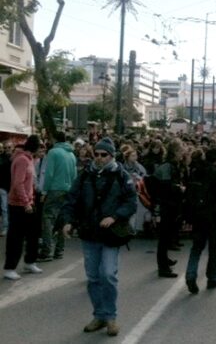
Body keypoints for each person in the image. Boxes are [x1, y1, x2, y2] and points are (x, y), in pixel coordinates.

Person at [60, 137, 137, 337]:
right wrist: (67, 221)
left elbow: (131, 202)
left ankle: (111, 317)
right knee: (93, 277)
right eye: (97, 154)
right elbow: (72, 199)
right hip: (89, 232)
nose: (100, 158)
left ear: (112, 156)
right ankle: (100, 315)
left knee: (108, 275)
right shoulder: (85, 175)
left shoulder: (122, 175)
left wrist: (115, 216)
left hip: (111, 235)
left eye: (104, 155)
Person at [184, 148, 216, 294]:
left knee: (196, 247)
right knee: (214, 248)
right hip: (214, 215)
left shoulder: (195, 171)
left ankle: (190, 274)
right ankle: (212, 277)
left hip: (198, 215)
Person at [3, 135, 43, 280]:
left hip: (28, 202)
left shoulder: (29, 159)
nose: (42, 150)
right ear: (35, 147)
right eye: (40, 147)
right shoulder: (21, 160)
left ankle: (30, 261)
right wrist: (26, 202)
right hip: (18, 204)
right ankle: (9, 267)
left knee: (33, 234)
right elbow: (18, 183)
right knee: (16, 237)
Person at [38, 131, 77, 262]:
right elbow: (74, 175)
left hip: (55, 189)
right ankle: (59, 250)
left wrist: (44, 191)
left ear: (54, 139)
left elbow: (49, 174)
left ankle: (46, 250)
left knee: (48, 218)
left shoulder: (53, 153)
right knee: (62, 220)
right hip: (68, 189)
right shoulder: (71, 154)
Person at [153, 139, 186, 278]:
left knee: (167, 235)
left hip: (170, 204)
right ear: (175, 152)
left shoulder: (172, 165)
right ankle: (163, 267)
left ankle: (165, 260)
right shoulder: (167, 167)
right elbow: (166, 187)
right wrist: (179, 188)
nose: (182, 153)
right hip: (166, 205)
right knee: (164, 237)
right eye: (180, 150)